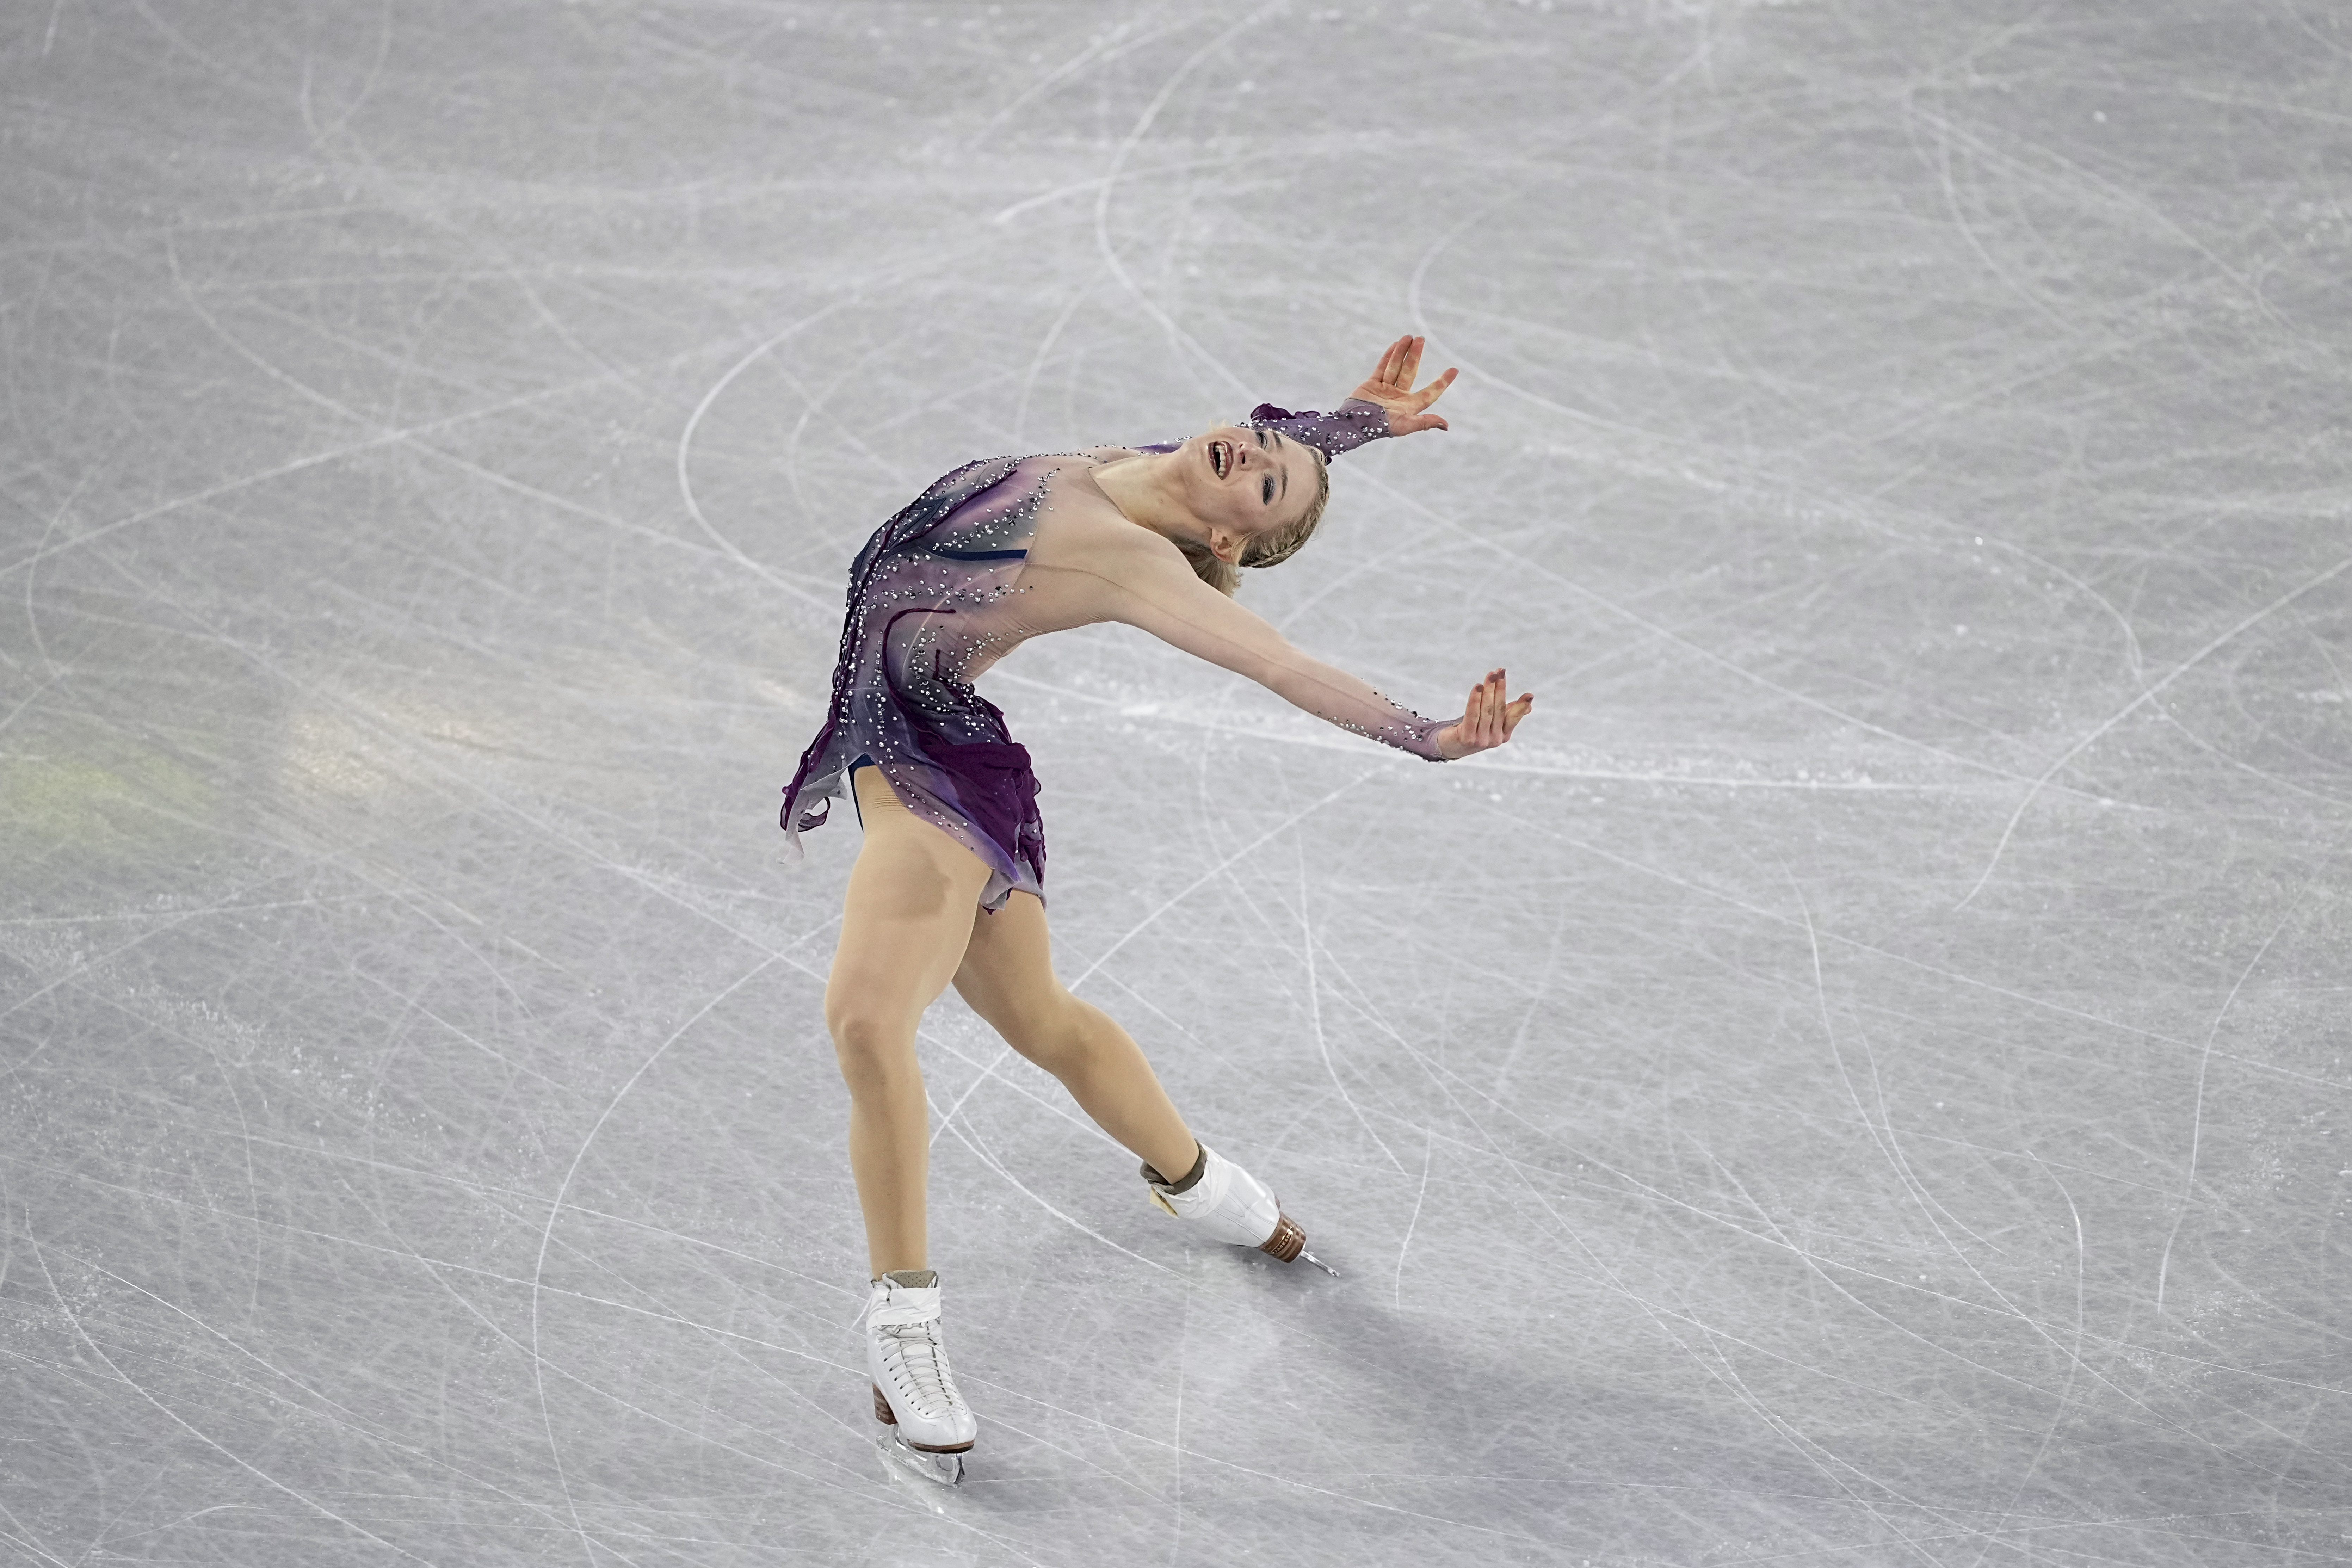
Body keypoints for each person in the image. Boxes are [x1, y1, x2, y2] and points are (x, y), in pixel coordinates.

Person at [779, 336, 1533, 1483]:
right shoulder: (1137, 463)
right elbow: (1274, 445)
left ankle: (904, 1330)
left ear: (1224, 540)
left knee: (869, 1027)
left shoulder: (1136, 559)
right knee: (1044, 1025)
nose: (1254, 450)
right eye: (1259, 442)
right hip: (945, 753)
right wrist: (1342, 428)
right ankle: (1215, 1190)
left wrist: (1428, 736)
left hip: (924, 773)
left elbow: (1282, 664)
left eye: (1263, 479)